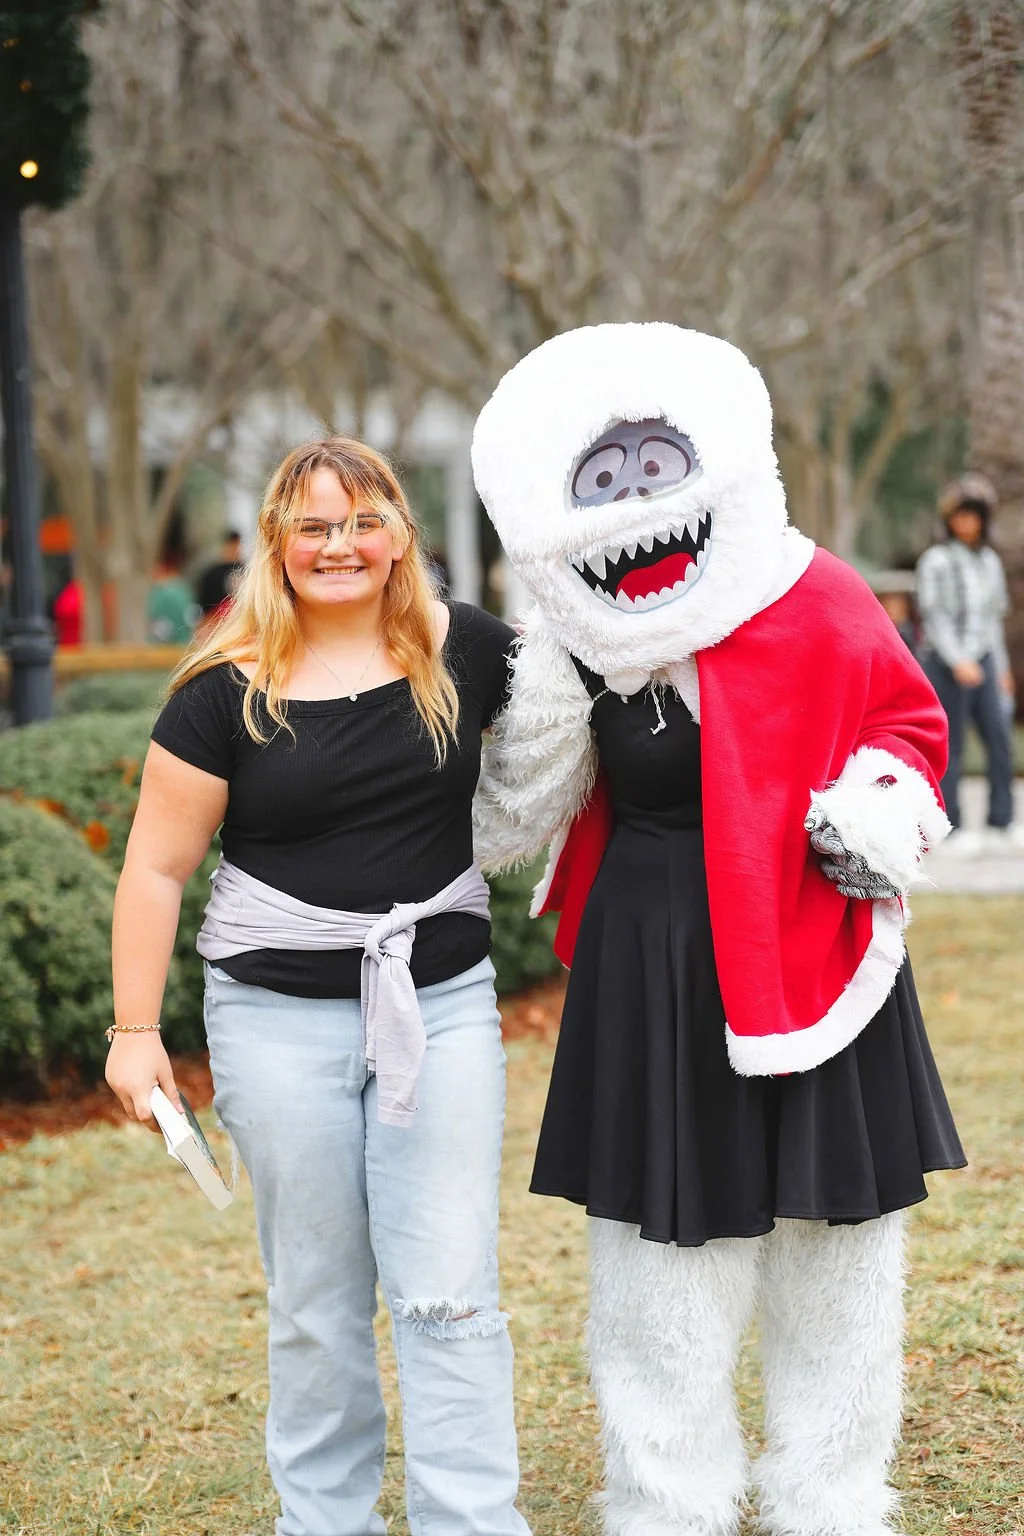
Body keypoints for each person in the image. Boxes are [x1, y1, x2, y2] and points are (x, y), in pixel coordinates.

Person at [471, 324, 965, 1536]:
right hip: (652, 964)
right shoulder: (577, 637)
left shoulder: (817, 591)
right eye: (607, 475)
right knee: (660, 1262)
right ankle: (664, 1498)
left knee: (837, 1247)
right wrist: (528, 686)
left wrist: (876, 809)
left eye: (656, 464)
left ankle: (831, 1495)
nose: (637, 499)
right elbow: (509, 817)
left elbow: (906, 728)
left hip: (813, 944)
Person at [104, 437, 530, 1536]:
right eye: (313, 526)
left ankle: (471, 1522)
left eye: (361, 521)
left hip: (439, 1008)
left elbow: (596, 721)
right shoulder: (221, 690)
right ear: (275, 543)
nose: (339, 545)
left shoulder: (469, 653)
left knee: (449, 1292)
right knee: (317, 1303)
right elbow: (155, 867)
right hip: (274, 1022)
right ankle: (324, 1523)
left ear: (398, 533)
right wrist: (134, 1030)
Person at [916, 473, 1016, 845]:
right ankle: (952, 826)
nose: (967, 522)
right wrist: (957, 660)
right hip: (945, 666)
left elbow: (992, 620)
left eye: (973, 515)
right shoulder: (936, 561)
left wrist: (1001, 668)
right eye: (961, 515)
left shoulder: (989, 562)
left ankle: (1002, 821)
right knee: (951, 745)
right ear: (950, 519)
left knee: (1000, 738)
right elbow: (934, 616)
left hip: (985, 660)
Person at [196, 528, 244, 616]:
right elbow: (205, 606)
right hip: (216, 620)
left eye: (236, 545)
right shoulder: (212, 574)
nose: (234, 549)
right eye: (231, 545)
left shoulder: (245, 571)